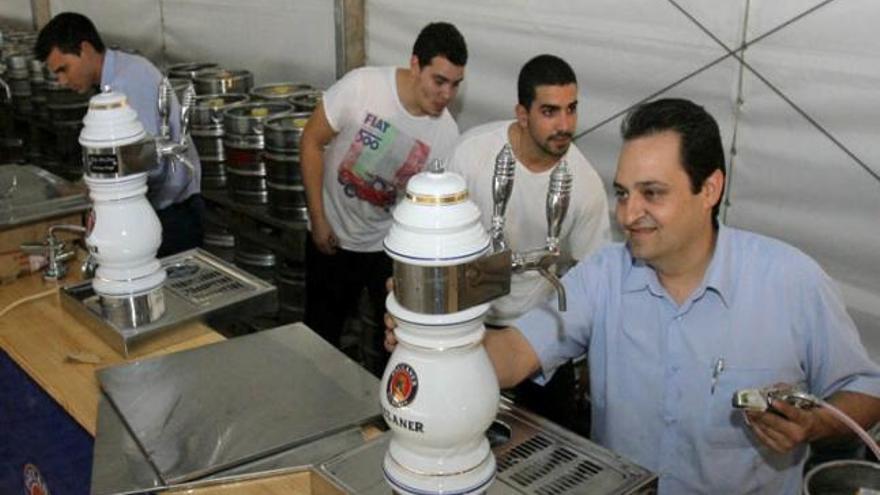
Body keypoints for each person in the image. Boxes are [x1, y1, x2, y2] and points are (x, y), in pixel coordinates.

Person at [386, 98, 880, 494]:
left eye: (652, 193)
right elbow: (514, 353)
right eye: (623, 193)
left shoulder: (791, 281)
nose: (628, 214)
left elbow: (866, 388)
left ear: (709, 189)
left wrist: (811, 426)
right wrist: (433, 339)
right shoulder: (604, 275)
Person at [445, 54, 610, 434]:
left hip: (540, 330)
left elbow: (595, 276)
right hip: (473, 323)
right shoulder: (473, 155)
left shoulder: (584, 184)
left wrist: (591, 366)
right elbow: (440, 243)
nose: (565, 125)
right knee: (461, 432)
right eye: (550, 112)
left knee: (551, 447)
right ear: (522, 113)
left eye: (571, 110)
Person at [301, 22, 467, 374]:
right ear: (415, 65)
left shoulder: (446, 134)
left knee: (397, 348)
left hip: (388, 250)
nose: (447, 94)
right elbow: (312, 141)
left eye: (455, 85)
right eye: (439, 81)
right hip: (332, 237)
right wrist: (318, 218)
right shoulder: (363, 87)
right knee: (319, 339)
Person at [35, 12, 203, 257]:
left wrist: (92, 189)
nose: (61, 81)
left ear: (85, 49)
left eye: (64, 69)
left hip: (173, 217)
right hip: (156, 211)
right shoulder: (112, 80)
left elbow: (147, 160)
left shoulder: (128, 82)